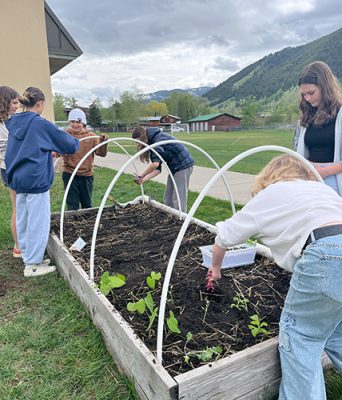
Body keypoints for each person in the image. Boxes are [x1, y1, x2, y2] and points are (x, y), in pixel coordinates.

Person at [207, 154, 342, 400]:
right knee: (336, 329)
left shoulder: (269, 194)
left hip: (325, 253)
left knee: (301, 335)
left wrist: (215, 269)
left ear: (268, 178)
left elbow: (223, 237)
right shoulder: (318, 189)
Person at [5, 87, 80, 277]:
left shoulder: (13, 121)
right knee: (38, 220)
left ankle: (28, 255)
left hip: (18, 178)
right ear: (40, 104)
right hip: (35, 178)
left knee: (24, 218)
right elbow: (69, 145)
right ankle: (34, 264)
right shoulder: (39, 124)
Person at [293, 61, 342, 195]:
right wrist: (307, 166)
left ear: (325, 87)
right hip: (309, 178)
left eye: (311, 92)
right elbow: (298, 149)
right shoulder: (306, 116)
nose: (307, 98)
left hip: (334, 181)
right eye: (304, 94)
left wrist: (324, 172)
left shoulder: (340, 114)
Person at [132, 126, 194, 212]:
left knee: (178, 199)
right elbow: (157, 169)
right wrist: (143, 179)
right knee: (167, 198)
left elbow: (155, 164)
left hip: (183, 165)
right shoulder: (152, 141)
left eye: (138, 141)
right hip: (174, 167)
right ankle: (169, 216)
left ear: (142, 138)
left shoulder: (158, 140)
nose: (137, 144)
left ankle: (181, 221)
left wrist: (141, 175)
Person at [60, 108, 108, 210]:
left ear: (83, 123)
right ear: (69, 122)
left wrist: (104, 142)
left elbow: (101, 153)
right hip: (70, 174)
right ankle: (74, 224)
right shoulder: (65, 135)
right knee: (72, 205)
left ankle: (88, 225)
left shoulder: (91, 137)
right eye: (72, 122)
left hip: (86, 175)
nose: (75, 125)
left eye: (78, 122)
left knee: (87, 204)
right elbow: (59, 151)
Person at [0, 85, 21, 257]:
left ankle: (20, 245)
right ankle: (19, 247)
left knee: (19, 206)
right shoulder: (4, 126)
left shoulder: (6, 122)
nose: (17, 106)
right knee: (18, 208)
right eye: (14, 102)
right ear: (5, 102)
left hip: (7, 168)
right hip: (12, 169)